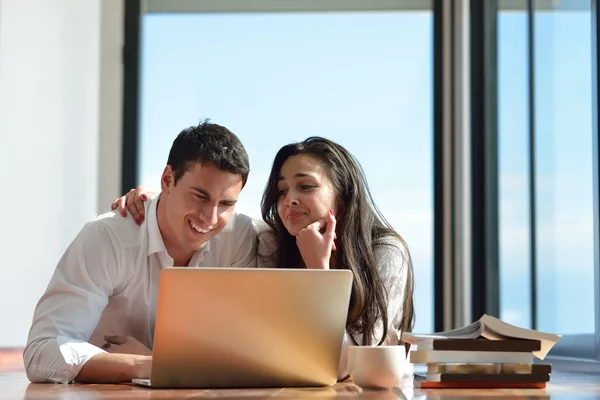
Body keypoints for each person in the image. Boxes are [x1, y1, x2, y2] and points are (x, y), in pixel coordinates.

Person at [114, 137, 415, 378]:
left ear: (344, 195)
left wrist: (318, 272)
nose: (290, 199)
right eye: (282, 191)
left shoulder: (386, 253)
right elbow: (252, 352)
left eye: (306, 186)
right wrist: (157, 199)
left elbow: (348, 366)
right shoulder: (272, 243)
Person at [24, 121, 257, 384]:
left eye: (226, 203)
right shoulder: (108, 237)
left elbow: (240, 354)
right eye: (200, 196)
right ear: (168, 180)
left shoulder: (240, 238)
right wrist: (142, 365)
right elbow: (41, 353)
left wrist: (155, 361)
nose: (211, 217)